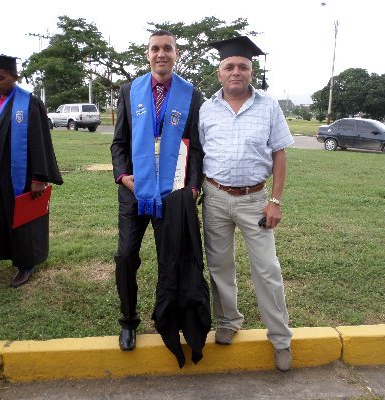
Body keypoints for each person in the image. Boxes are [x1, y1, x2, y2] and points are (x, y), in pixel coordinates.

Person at [199, 36, 294, 372]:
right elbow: (196, 153)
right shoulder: (206, 109)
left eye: (243, 66)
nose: (236, 71)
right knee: (219, 266)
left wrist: (275, 201)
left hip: (255, 200)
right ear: (219, 73)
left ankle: (281, 339)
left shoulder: (268, 107)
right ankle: (227, 321)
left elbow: (279, 154)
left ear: (251, 72)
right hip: (214, 198)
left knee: (267, 270)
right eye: (229, 66)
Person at [111, 30, 205, 352]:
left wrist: (192, 188)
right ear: (147, 54)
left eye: (168, 48)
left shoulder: (192, 96)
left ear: (176, 54)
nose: (161, 53)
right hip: (134, 192)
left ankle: (167, 317)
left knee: (171, 260)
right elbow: (119, 143)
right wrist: (123, 176)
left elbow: (197, 150)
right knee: (125, 257)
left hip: (172, 193)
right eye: (155, 49)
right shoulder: (129, 92)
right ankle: (128, 321)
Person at [0, 54, 63, 287]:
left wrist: (39, 177)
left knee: (22, 220)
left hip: (20, 175)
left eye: (0, 77)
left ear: (14, 77)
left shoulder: (29, 103)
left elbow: (40, 142)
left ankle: (25, 265)